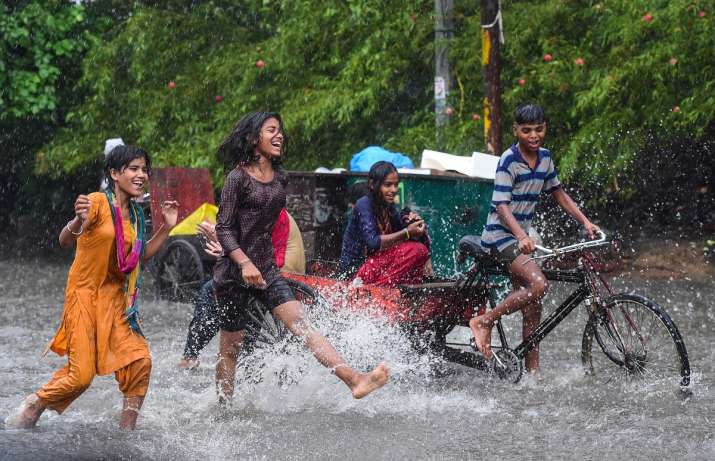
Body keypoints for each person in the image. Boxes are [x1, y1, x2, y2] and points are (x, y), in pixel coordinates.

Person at [212, 111, 389, 404]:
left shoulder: (281, 177)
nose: (279, 135)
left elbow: (269, 226)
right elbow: (224, 228)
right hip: (233, 273)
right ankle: (223, 408)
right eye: (271, 130)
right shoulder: (237, 178)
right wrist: (244, 262)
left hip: (267, 271)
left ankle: (355, 380)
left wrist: (266, 261)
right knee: (230, 348)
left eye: (280, 131)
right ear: (254, 138)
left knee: (303, 324)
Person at [5, 145, 179, 430]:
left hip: (116, 302)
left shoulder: (136, 216)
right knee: (80, 377)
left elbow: (139, 257)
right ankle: (37, 401)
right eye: (133, 169)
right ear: (114, 173)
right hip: (84, 296)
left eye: (144, 170)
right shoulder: (98, 202)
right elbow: (64, 240)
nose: (141, 175)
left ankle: (127, 433)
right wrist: (77, 220)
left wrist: (167, 228)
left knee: (139, 361)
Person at [469, 103, 599, 373]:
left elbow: (559, 194)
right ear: (516, 131)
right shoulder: (508, 160)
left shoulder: (546, 158)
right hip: (499, 238)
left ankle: (532, 374)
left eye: (538, 129)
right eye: (526, 130)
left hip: (520, 240)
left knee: (532, 308)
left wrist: (586, 222)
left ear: (545, 129)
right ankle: (485, 321)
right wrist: (520, 236)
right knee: (539, 284)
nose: (533, 136)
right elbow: (502, 206)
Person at [177, 208, 305, 370]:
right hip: (279, 272)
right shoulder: (263, 207)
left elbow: (264, 259)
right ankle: (241, 354)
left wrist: (226, 252)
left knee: (211, 290)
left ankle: (191, 355)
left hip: (279, 273)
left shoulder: (266, 211)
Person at [339, 161, 430, 286]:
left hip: (375, 267)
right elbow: (373, 242)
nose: (394, 190)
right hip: (354, 273)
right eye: (388, 185)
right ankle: (384, 290)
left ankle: (407, 290)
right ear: (372, 184)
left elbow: (405, 233)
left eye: (396, 185)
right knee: (416, 250)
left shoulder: (389, 207)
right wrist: (407, 232)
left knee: (421, 250)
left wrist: (415, 224)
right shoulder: (363, 204)